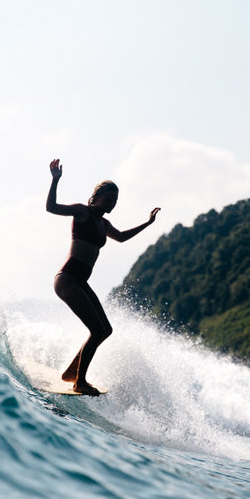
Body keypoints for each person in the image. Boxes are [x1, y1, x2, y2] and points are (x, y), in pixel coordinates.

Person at [46, 158, 160, 395]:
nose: (112, 203)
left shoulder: (103, 223)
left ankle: (71, 373)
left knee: (105, 330)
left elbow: (123, 237)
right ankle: (79, 381)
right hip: (67, 279)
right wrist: (55, 180)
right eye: (108, 199)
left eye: (115, 200)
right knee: (97, 331)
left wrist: (148, 223)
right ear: (96, 197)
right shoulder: (82, 212)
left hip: (80, 282)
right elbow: (51, 208)